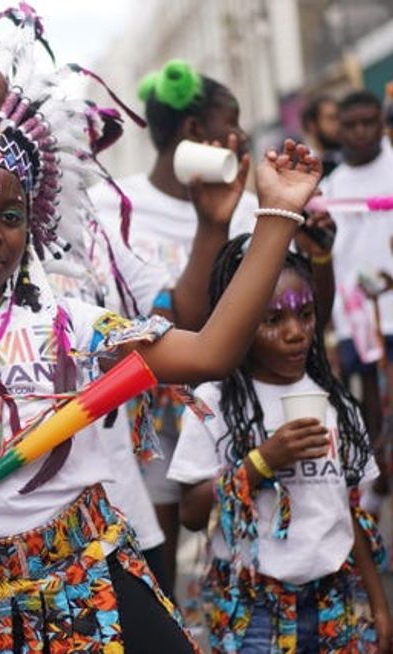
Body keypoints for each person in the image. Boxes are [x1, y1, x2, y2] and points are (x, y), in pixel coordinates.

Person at [0, 8, 324, 652]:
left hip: (89, 572)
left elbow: (210, 351)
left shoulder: (70, 322)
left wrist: (274, 216)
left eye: (11, 213)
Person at [168, 236, 390, 652]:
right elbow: (193, 514)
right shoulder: (214, 404)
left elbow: (349, 511)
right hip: (253, 609)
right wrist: (262, 461)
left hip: (335, 600)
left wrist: (378, 604)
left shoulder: (337, 402)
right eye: (272, 320)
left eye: (305, 314)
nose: (295, 333)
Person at [88, 58, 260, 593]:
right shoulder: (112, 206)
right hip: (143, 415)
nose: (241, 138)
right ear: (192, 131)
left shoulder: (248, 207)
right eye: (229, 125)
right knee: (153, 550)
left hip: (225, 400)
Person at [322, 90, 393, 464]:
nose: (361, 132)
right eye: (351, 125)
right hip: (358, 318)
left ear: (381, 124)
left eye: (369, 122)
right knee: (371, 399)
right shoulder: (332, 186)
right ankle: (380, 477)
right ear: (340, 130)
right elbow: (328, 257)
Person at [301, 95, 342, 177]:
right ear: (312, 125)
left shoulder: (350, 156)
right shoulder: (304, 167)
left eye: (339, 117)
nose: (338, 124)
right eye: (331, 118)